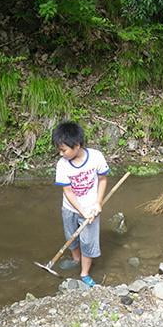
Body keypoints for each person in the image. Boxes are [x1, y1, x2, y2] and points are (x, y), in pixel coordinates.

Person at [52, 121, 109, 287]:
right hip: (70, 208)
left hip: (91, 211)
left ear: (77, 145)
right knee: (71, 237)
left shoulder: (96, 157)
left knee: (88, 242)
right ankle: (76, 259)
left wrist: (98, 203)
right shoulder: (62, 165)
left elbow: (103, 179)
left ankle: (84, 274)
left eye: (63, 150)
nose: (61, 153)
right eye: (59, 150)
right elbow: (68, 191)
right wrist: (80, 210)